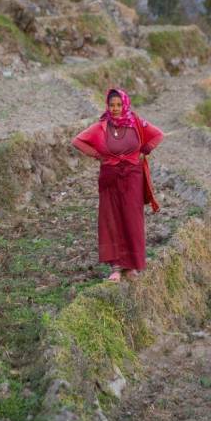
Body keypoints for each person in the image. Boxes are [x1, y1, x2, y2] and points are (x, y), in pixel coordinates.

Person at [71, 88, 164, 282]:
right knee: (111, 219)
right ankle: (116, 266)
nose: (115, 109)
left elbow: (157, 135)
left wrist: (145, 150)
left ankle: (131, 266)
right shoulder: (101, 126)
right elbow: (77, 141)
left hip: (132, 177)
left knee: (132, 218)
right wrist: (98, 155)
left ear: (125, 105)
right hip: (110, 179)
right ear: (107, 106)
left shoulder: (136, 122)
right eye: (112, 105)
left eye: (118, 105)